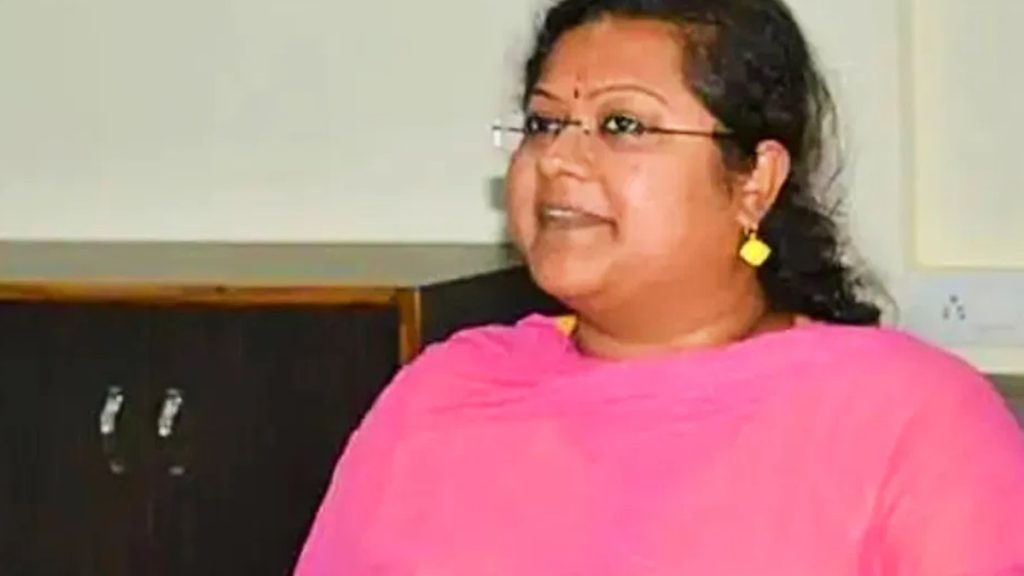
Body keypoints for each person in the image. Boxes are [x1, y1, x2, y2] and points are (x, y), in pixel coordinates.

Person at [295, 0, 1024, 573]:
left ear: (754, 180)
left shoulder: (912, 421)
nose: (557, 159)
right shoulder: (441, 396)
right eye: (544, 123)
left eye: (621, 124)